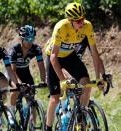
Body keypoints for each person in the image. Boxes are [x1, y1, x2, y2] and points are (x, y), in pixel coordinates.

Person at [45, 2, 105, 130]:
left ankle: (81, 118)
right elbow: (53, 57)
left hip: (69, 56)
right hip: (54, 57)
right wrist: (63, 80)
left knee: (86, 85)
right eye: (78, 21)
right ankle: (48, 127)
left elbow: (94, 53)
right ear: (70, 20)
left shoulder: (87, 26)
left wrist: (98, 77)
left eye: (83, 18)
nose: (81, 22)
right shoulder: (61, 27)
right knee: (55, 98)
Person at [9, 25, 46, 110]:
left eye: (32, 39)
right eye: (27, 39)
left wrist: (43, 80)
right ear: (22, 39)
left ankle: (32, 122)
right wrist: (19, 83)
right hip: (13, 73)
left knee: (31, 98)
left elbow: (41, 66)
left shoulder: (36, 49)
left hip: (26, 73)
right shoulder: (14, 50)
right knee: (16, 89)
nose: (30, 42)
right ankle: (11, 111)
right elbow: (13, 70)